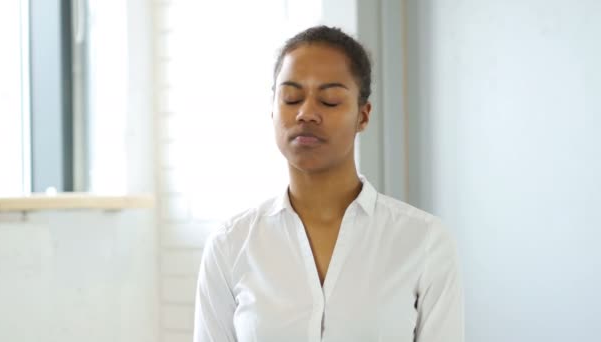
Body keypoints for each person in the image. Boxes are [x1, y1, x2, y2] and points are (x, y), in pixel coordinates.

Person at [193, 25, 464, 342]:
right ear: (272, 109)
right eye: (292, 98)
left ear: (363, 116)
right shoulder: (231, 244)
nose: (306, 113)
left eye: (330, 101)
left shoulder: (424, 241)